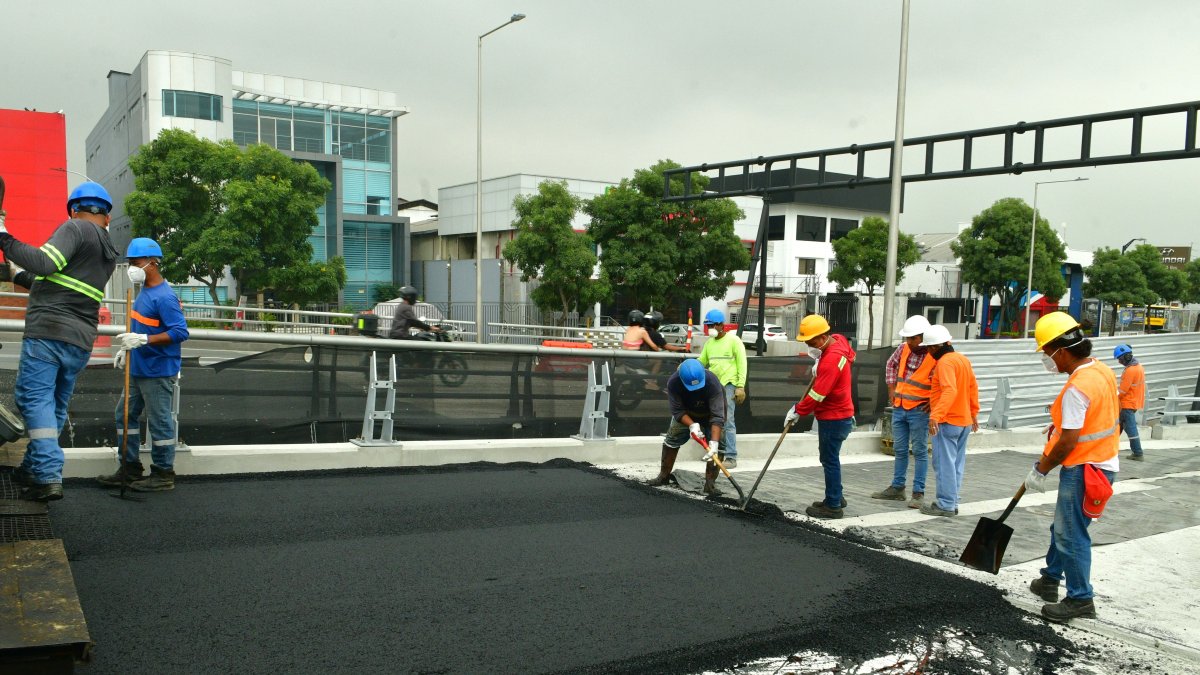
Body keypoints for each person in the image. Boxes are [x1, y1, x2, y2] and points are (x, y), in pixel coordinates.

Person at [0, 182, 120, 502]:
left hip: (49, 332)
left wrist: (4, 237)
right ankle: (34, 466)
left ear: (73, 208)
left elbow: (43, 263)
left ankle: (48, 472)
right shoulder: (106, 248)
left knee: (33, 400)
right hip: (79, 340)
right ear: (107, 217)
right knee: (52, 405)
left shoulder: (75, 228)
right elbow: (55, 282)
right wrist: (15, 276)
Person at [1025, 312, 1120, 623]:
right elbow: (1095, 418)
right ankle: (1050, 580)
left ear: (1061, 352)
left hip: (1084, 468)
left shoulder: (1078, 387)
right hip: (1103, 462)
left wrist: (1041, 468)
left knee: (1070, 533)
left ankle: (1080, 598)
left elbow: (1068, 442)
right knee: (1063, 527)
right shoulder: (1101, 370)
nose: (1046, 360)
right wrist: (1060, 427)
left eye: (1046, 353)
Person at [96, 238, 190, 491]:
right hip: (138, 367)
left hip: (157, 370)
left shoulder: (165, 297)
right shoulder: (144, 292)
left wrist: (144, 339)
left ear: (152, 263)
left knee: (159, 421)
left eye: (134, 262)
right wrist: (127, 349)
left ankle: (163, 474)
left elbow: (180, 332)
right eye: (129, 263)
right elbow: (138, 329)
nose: (130, 268)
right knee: (124, 415)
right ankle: (129, 468)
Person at [786, 314, 856, 519]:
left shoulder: (831, 360)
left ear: (823, 336)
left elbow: (818, 394)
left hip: (833, 417)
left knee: (829, 459)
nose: (809, 344)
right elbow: (844, 346)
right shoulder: (839, 342)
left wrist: (798, 410)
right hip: (841, 414)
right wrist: (821, 359)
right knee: (831, 458)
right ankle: (836, 496)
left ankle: (833, 505)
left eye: (811, 341)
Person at [918, 324, 979, 517]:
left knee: (944, 464)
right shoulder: (962, 360)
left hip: (947, 421)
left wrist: (936, 415)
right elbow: (972, 388)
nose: (928, 352)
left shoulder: (944, 363)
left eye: (928, 348)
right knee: (956, 464)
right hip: (964, 421)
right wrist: (974, 413)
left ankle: (945, 504)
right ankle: (952, 501)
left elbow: (950, 390)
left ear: (934, 347)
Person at [872, 315, 933, 509]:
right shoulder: (903, 348)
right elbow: (891, 364)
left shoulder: (935, 353)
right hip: (900, 408)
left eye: (912, 338)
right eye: (907, 338)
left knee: (920, 451)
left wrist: (933, 401)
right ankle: (898, 488)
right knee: (899, 450)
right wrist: (891, 388)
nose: (909, 342)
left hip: (919, 411)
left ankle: (918, 493)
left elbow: (943, 381)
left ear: (923, 336)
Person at [646, 359, 726, 495]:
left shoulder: (712, 383)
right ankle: (663, 476)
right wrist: (692, 425)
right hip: (686, 414)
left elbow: (718, 416)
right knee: (672, 439)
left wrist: (714, 444)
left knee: (719, 446)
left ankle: (710, 485)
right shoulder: (674, 382)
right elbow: (677, 411)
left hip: (710, 416)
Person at [697, 309, 746, 468]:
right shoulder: (709, 343)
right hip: (713, 388)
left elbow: (742, 363)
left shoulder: (734, 340)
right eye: (707, 325)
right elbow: (701, 362)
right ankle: (715, 452)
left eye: (711, 325)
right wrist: (687, 367)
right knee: (713, 420)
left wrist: (740, 386)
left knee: (728, 421)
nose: (709, 328)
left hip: (729, 385)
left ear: (720, 325)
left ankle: (731, 457)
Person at [1114, 344, 1145, 461]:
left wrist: (1110, 396)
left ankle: (1138, 453)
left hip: (1126, 404)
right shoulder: (1139, 367)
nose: (1119, 362)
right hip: (1133, 402)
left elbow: (1122, 391)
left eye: (1120, 359)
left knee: (1130, 428)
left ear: (1127, 357)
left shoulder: (1130, 370)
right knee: (1118, 427)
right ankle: (1110, 449)